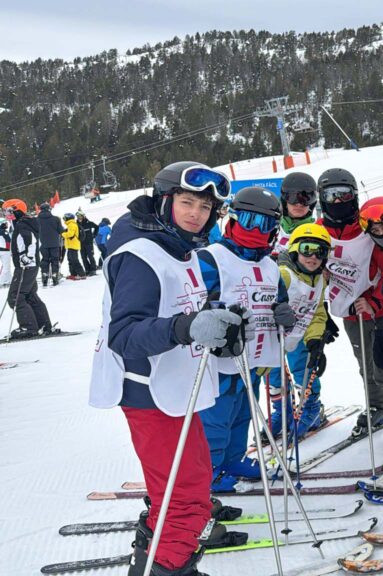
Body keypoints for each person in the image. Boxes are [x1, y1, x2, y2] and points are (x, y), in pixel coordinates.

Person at [89, 161, 242, 576]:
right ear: (164, 201)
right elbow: (125, 333)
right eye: (186, 202)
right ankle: (169, 567)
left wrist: (214, 321)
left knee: (184, 486)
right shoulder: (141, 253)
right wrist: (187, 328)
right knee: (186, 497)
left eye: (205, 207)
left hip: (174, 388)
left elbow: (179, 306)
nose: (196, 213)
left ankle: (162, 560)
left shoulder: (177, 244)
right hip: (149, 391)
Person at [196, 186, 294, 492]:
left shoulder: (270, 265)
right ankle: (208, 469)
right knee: (215, 417)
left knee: (243, 411)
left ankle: (233, 458)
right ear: (233, 219)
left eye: (264, 224)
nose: (255, 230)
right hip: (218, 357)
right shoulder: (211, 258)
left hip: (253, 354)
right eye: (249, 220)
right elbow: (194, 302)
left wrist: (283, 311)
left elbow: (278, 298)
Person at [317, 168, 383, 443]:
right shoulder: (319, 231)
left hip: (379, 310)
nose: (339, 202)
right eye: (331, 196)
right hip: (348, 310)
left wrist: (376, 300)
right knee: (365, 364)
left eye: (345, 195)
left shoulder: (366, 230)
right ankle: (378, 405)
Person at [271, 223, 333, 438]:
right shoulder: (283, 275)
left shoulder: (319, 280)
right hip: (273, 338)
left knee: (305, 369)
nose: (313, 256)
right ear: (295, 249)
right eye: (307, 248)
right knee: (273, 377)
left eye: (320, 252)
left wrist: (315, 339)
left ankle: (311, 410)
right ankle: (282, 411)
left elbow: (316, 313)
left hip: (299, 335)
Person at [2, 199, 52, 339]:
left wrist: (26, 258)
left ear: (17, 210)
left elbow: (31, 241)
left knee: (15, 297)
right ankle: (43, 324)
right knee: (29, 295)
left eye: (9, 211)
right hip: (28, 266)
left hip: (26, 266)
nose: (7, 214)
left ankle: (28, 327)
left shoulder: (23, 225)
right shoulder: (22, 223)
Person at [272, 172, 318, 259]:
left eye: (306, 199)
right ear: (285, 201)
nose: (299, 204)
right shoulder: (270, 227)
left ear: (311, 203)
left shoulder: (317, 232)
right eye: (293, 198)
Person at [36, 202, 64, 286]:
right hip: (54, 243)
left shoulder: (37, 220)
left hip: (43, 243)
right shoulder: (56, 219)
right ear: (49, 209)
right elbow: (61, 231)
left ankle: (44, 275)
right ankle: (55, 275)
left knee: (45, 259)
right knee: (55, 260)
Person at [62, 212, 87, 280]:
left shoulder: (72, 224)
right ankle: (73, 274)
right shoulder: (70, 224)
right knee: (70, 260)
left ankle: (82, 274)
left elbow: (70, 234)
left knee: (74, 260)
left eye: (65, 218)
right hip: (70, 245)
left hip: (73, 245)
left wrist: (63, 234)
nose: (64, 220)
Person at [77, 210, 99, 275]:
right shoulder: (77, 224)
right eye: (78, 217)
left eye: (80, 216)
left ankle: (93, 269)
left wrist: (94, 235)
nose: (79, 218)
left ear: (83, 216)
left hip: (89, 242)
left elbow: (97, 227)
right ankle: (87, 269)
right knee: (83, 257)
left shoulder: (88, 223)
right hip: (81, 243)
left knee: (90, 256)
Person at [0, 220, 12, 286]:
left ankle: (8, 279)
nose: (7, 225)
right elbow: (8, 240)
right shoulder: (4, 231)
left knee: (5, 266)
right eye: (6, 224)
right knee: (6, 266)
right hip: (5, 251)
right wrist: (8, 249)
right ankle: (2, 281)